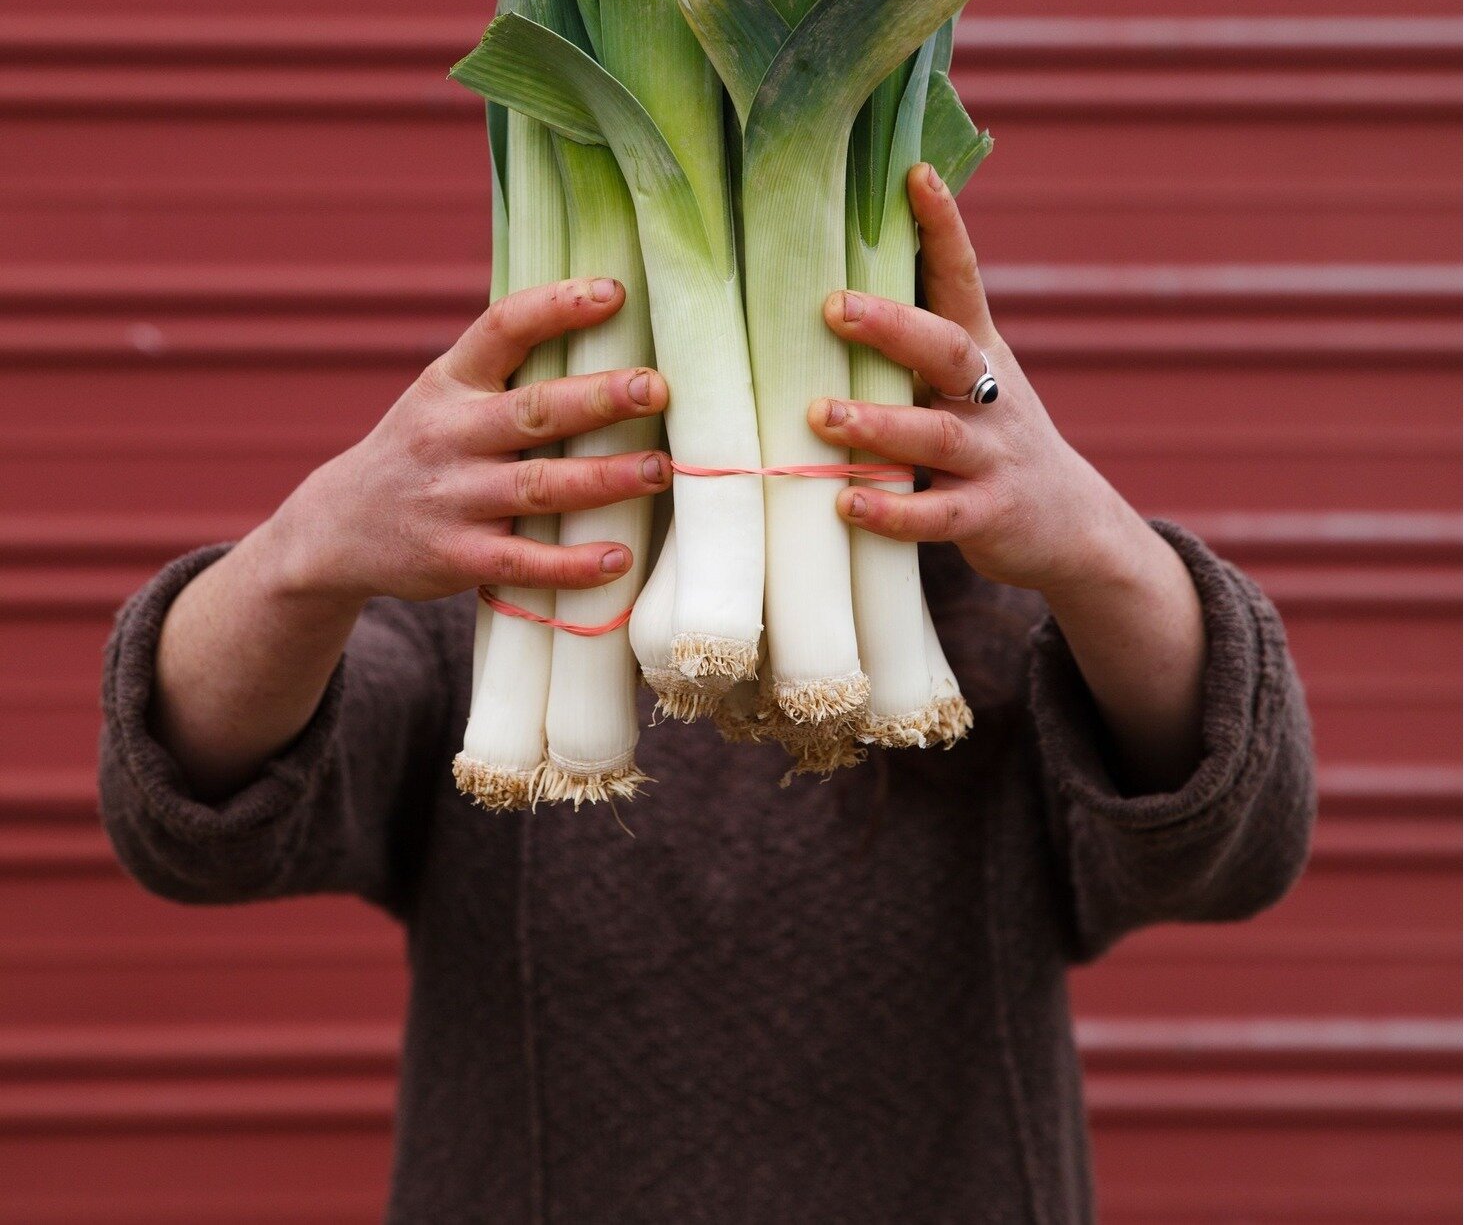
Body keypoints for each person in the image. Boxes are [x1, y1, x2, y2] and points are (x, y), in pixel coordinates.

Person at [99, 164, 1315, 1224]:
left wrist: (1100, 543)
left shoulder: (1008, 605)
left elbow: (1241, 841)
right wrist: (307, 546)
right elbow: (193, 814)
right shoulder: (474, 604)